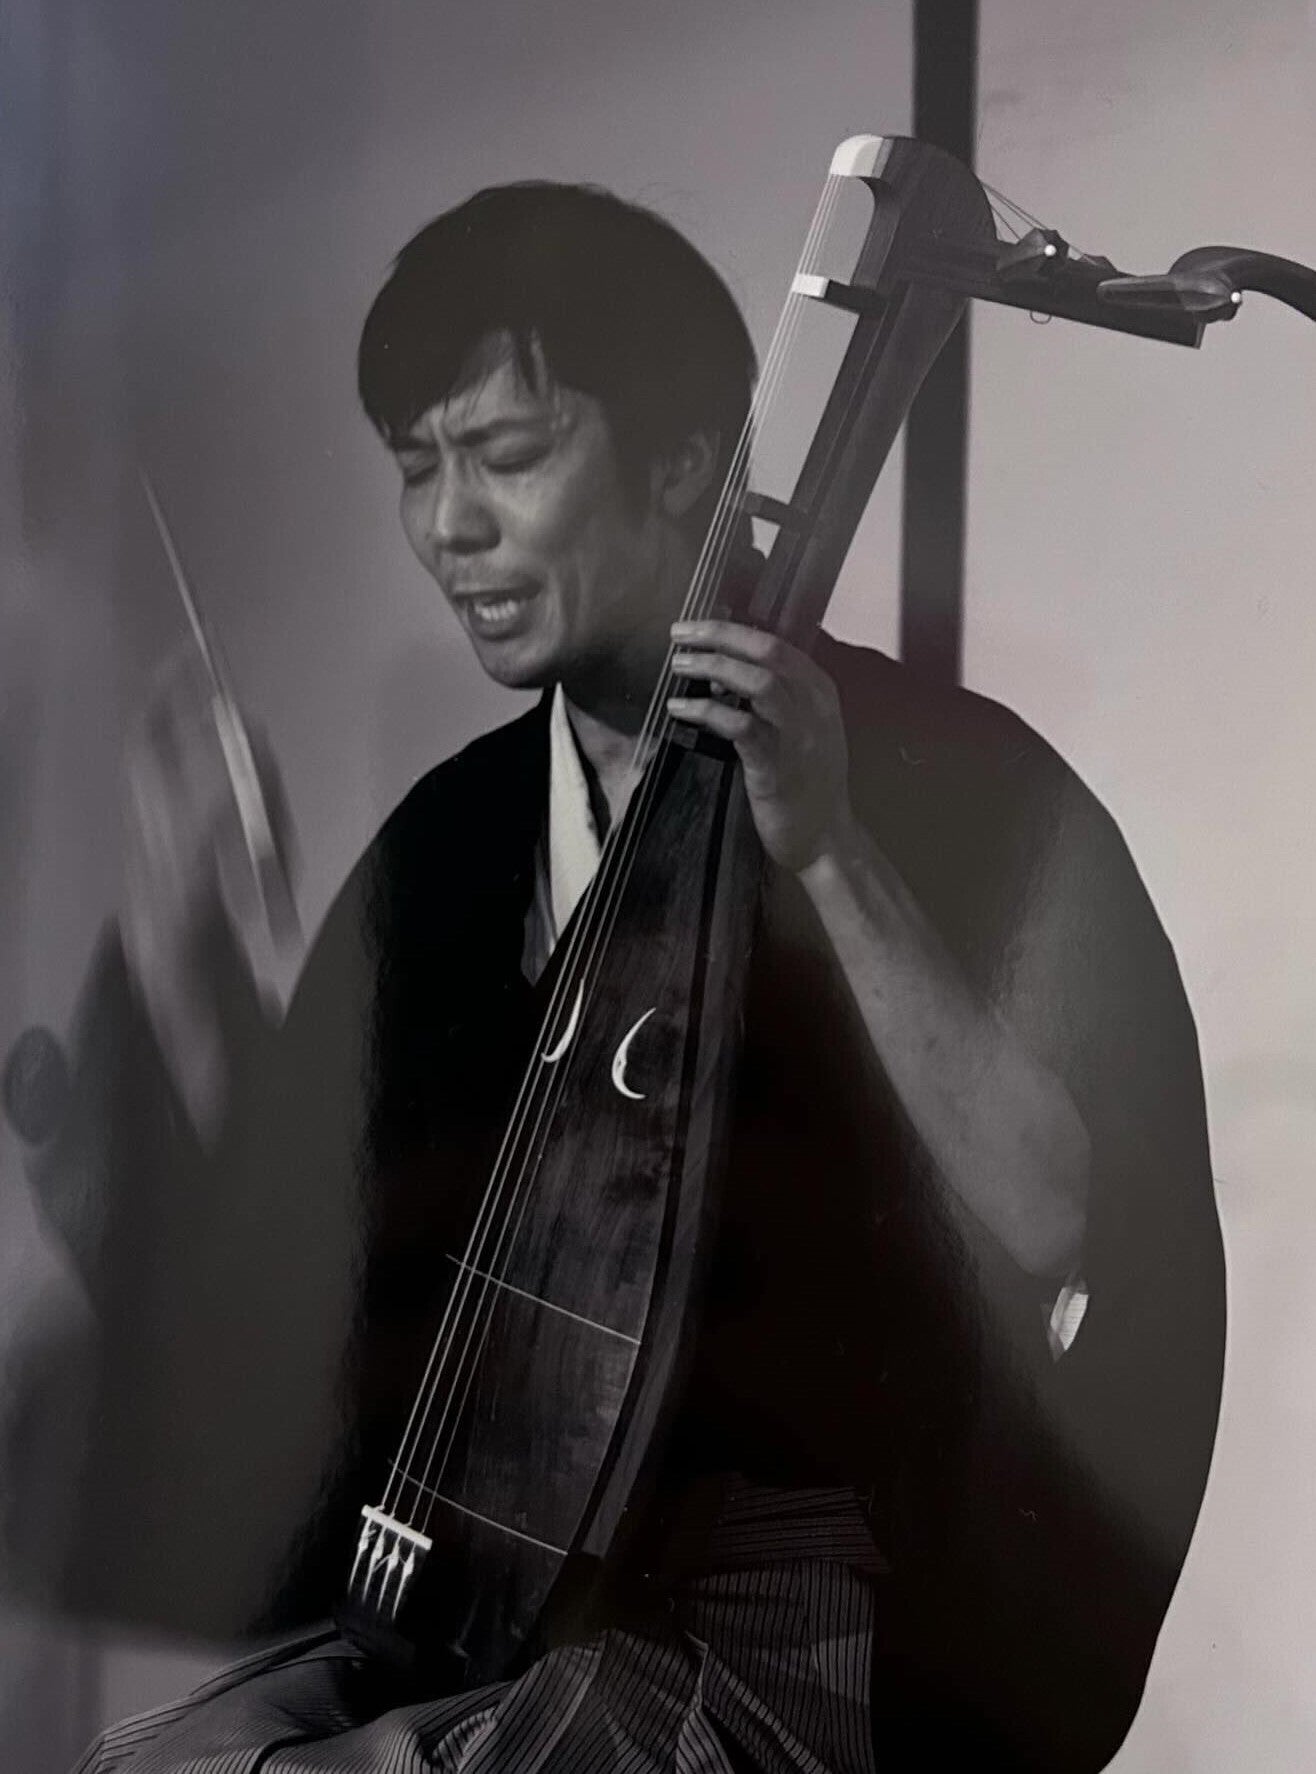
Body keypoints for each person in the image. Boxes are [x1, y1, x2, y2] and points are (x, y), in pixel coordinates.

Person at [18, 182, 1221, 1773]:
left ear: (681, 466)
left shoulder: (959, 778)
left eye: (508, 455)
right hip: (480, 1580)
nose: (449, 526)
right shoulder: (449, 841)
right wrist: (187, 953)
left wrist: (833, 852)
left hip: (799, 1620)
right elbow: (306, 1314)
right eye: (418, 467)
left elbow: (1066, 1217)